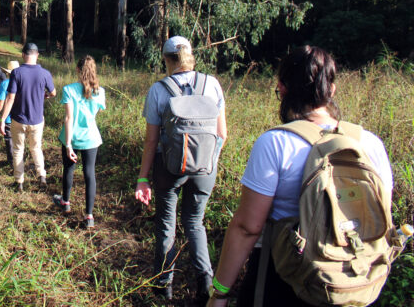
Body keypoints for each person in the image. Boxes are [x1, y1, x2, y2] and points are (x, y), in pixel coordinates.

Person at [205, 46, 393, 307]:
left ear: (282, 88)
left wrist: (220, 292)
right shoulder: (370, 143)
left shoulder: (275, 142)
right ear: (332, 90)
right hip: (356, 280)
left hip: (285, 278)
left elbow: (248, 227)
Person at [135, 36, 227, 302]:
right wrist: (209, 163)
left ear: (166, 59)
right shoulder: (212, 84)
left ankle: (164, 285)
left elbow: (152, 140)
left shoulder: (159, 90)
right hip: (204, 169)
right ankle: (205, 282)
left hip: (169, 167)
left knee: (167, 225)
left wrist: (143, 178)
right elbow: (222, 133)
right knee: (195, 222)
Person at [52, 55, 105, 229]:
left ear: (77, 70)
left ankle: (65, 202)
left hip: (72, 137)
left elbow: (68, 118)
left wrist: (68, 144)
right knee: (90, 174)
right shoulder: (100, 91)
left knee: (68, 169)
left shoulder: (69, 89)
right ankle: (89, 216)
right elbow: (94, 114)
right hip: (91, 138)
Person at [0, 43, 56, 192]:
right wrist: (46, 95)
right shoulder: (45, 73)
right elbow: (53, 92)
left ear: (23, 55)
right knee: (36, 148)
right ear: (37, 55)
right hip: (37, 120)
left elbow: (10, 98)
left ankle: (19, 182)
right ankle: (41, 176)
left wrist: (3, 118)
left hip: (18, 119)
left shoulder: (17, 73)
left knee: (18, 150)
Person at [0, 60, 20, 165]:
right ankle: (19, 162)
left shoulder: (5, 84)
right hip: (21, 117)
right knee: (19, 141)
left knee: (9, 140)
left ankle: (11, 163)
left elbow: (0, 103)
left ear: (7, 73)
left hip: (9, 118)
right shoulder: (23, 82)